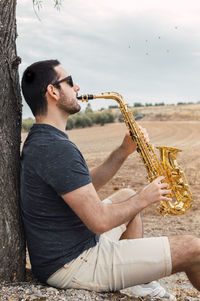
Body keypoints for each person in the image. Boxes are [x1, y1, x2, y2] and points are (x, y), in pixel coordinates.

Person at [20, 60, 200, 300]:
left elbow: (83, 188)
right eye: (70, 82)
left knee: (125, 195)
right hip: (73, 264)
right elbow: (100, 222)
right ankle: (137, 280)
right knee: (194, 248)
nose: (77, 88)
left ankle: (139, 284)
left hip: (67, 250)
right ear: (52, 91)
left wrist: (122, 152)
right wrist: (146, 197)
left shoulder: (44, 139)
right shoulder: (55, 148)